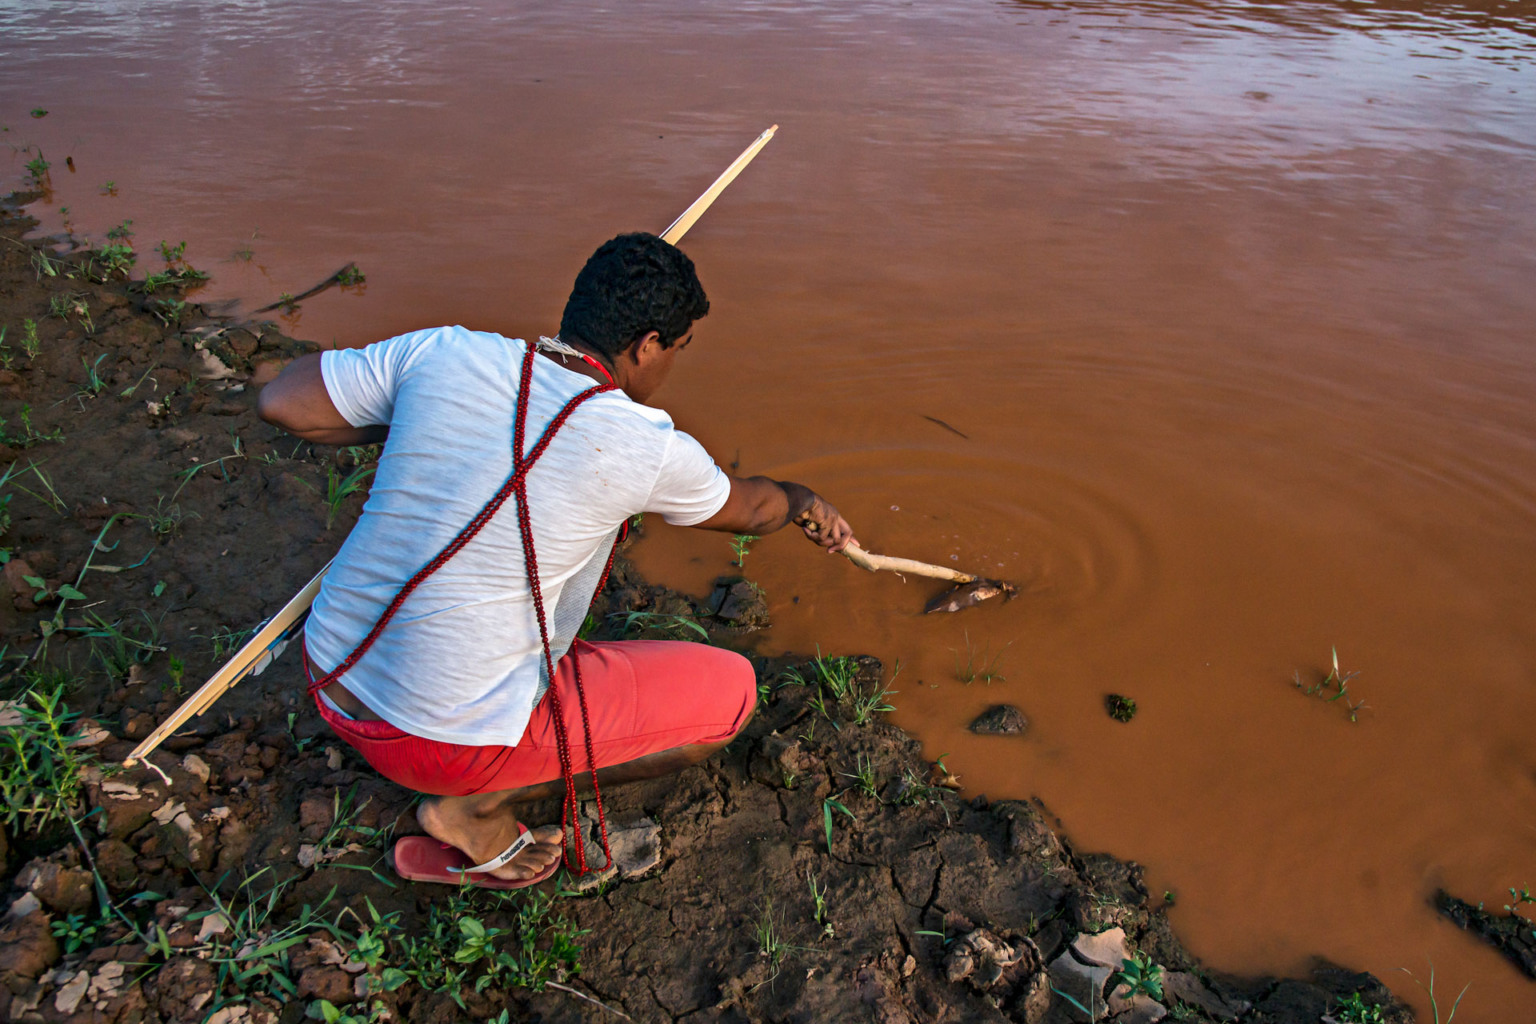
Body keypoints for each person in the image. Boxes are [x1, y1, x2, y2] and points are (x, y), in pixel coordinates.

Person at [257, 233, 856, 887]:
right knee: (731, 696)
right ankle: (473, 809)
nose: (671, 367)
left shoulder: (446, 351)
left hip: (331, 676)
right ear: (648, 345)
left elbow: (284, 401)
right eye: (679, 350)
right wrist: (808, 500)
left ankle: (464, 777)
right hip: (437, 745)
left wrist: (422, 417)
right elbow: (757, 509)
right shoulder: (642, 444)